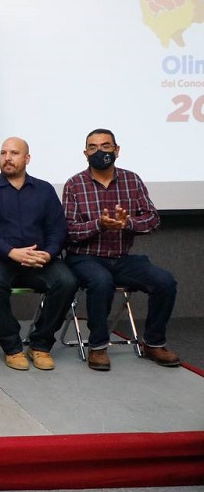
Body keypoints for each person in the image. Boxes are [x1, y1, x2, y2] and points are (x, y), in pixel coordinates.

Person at [62, 128, 180, 371]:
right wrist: (99, 224)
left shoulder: (132, 180)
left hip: (122, 258)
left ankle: (154, 343)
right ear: (85, 153)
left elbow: (153, 219)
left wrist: (128, 223)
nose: (99, 152)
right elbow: (69, 231)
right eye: (93, 147)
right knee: (101, 282)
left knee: (165, 281)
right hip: (85, 258)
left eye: (105, 146)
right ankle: (97, 347)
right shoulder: (74, 184)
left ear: (117, 150)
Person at [0, 137, 78, 371]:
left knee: (67, 281)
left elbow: (58, 229)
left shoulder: (44, 190)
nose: (7, 158)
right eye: (3, 153)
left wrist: (48, 254)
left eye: (14, 153)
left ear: (27, 158)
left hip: (39, 258)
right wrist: (11, 252)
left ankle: (40, 345)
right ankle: (12, 346)